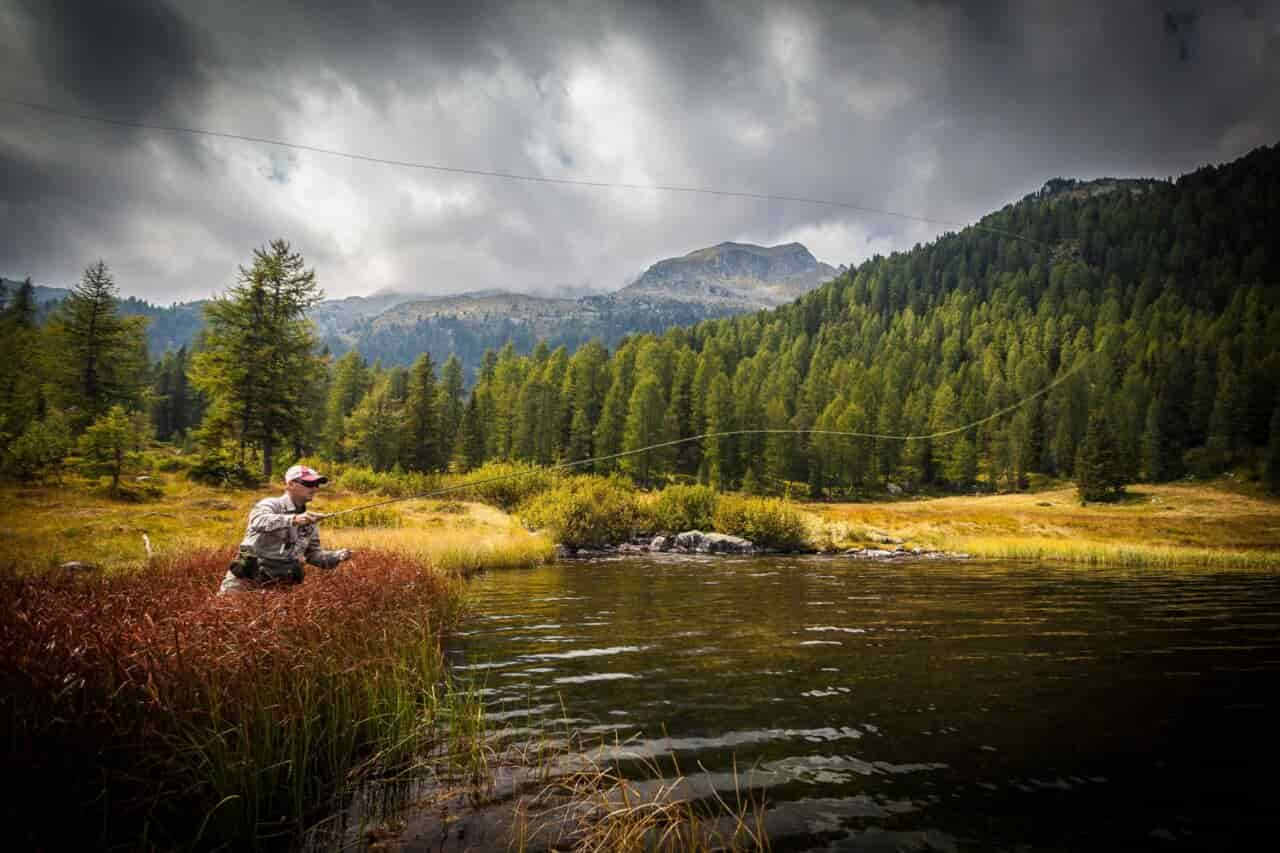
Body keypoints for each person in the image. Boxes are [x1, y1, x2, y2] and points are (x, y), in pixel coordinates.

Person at [218, 464, 354, 595]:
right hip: (243, 582)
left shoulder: (309, 522)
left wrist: (337, 556)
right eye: (308, 484)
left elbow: (313, 556)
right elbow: (258, 521)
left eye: (316, 484)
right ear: (290, 484)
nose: (314, 488)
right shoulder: (270, 505)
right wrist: (293, 519)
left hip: (277, 587)